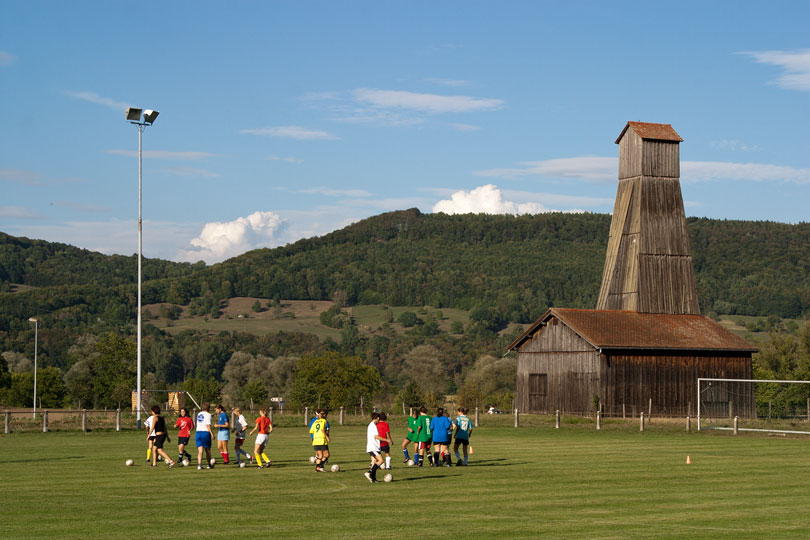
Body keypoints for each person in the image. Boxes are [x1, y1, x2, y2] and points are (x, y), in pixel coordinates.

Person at [364, 412, 385, 483]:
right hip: (373, 447)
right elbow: (376, 436)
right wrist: (386, 440)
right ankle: (370, 474)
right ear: (378, 418)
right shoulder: (373, 425)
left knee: (374, 462)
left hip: (373, 447)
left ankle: (373, 478)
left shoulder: (371, 425)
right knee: (381, 460)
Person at [195, 403, 215, 470]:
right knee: (207, 450)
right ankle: (209, 465)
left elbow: (204, 419)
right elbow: (207, 425)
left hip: (198, 433)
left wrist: (211, 415)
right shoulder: (208, 415)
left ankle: (199, 465)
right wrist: (212, 433)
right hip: (205, 433)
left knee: (200, 451)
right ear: (208, 408)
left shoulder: (199, 414)